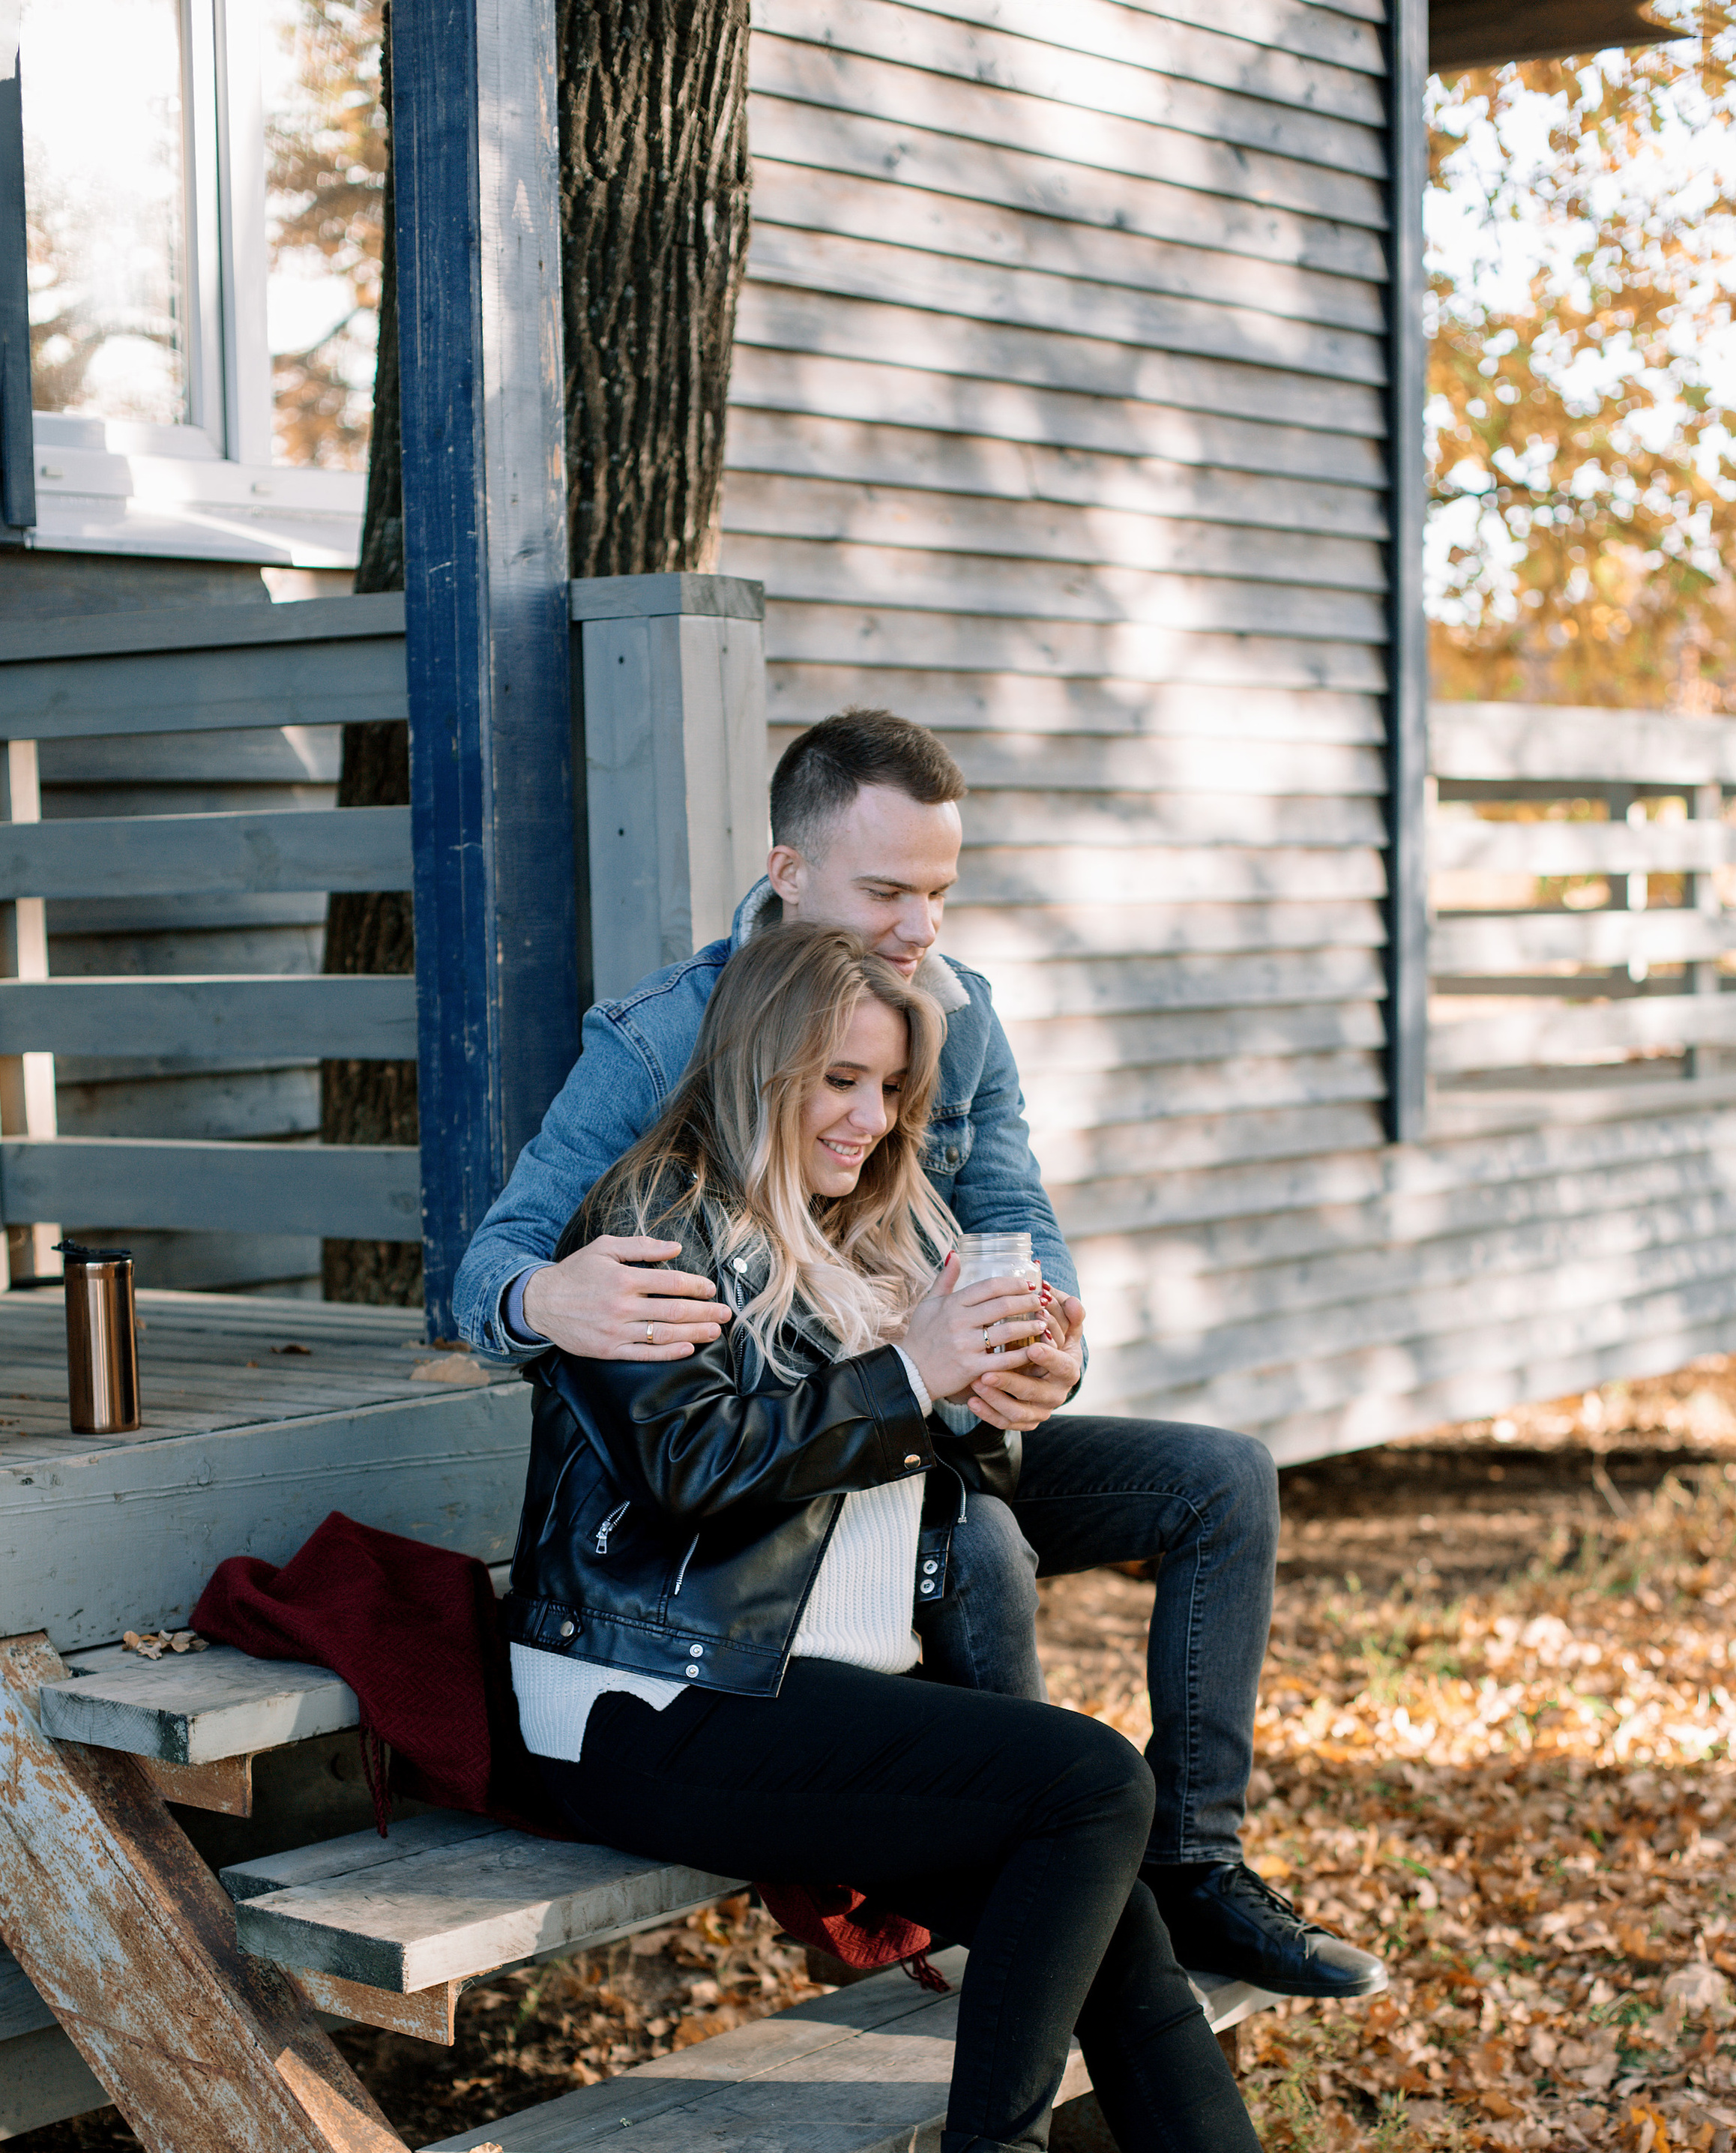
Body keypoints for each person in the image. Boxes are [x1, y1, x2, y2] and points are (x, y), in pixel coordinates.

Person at [502, 916, 1522, 2153]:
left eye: (890, 1096)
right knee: (1088, 1786)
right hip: (649, 1705)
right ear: (760, 1057)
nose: (860, 1119)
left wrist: (990, 1411)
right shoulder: (651, 1226)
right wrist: (907, 1377)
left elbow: (895, 1481)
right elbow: (689, 1476)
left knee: (1109, 1907)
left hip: (805, 1692)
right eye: (834, 1080)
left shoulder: (871, 1231)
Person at [458, 709, 1382, 2007]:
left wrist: (1044, 1343)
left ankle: (1192, 1869)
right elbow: (483, 1270)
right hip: (777, 1481)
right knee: (986, 1542)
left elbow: (1017, 1223)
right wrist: (550, 1292)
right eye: (887, 890)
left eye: (941, 892)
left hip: (935, 1422)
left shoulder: (964, 1015)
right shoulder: (664, 1036)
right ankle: (1036, 1895)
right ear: (789, 875)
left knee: (1220, 1478)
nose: (921, 928)